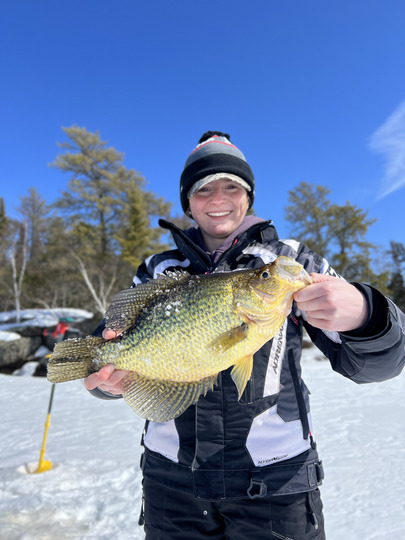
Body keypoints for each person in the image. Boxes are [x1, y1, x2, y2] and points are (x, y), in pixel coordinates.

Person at [84, 131, 405, 539]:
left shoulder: (292, 262)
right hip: (172, 484)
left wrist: (367, 314)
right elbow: (114, 343)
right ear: (188, 201)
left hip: (277, 482)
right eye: (203, 189)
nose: (218, 198)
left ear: (248, 195)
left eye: (231, 186)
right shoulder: (157, 269)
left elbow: (380, 365)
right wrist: (106, 380)